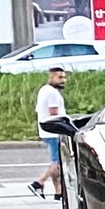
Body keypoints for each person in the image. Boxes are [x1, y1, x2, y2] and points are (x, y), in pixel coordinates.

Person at [32, 64, 71, 199]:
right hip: (54, 131)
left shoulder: (44, 90)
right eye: (60, 77)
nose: (63, 80)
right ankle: (39, 182)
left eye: (64, 77)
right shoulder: (52, 93)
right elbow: (54, 114)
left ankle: (58, 192)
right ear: (51, 76)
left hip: (45, 131)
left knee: (56, 162)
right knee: (57, 162)